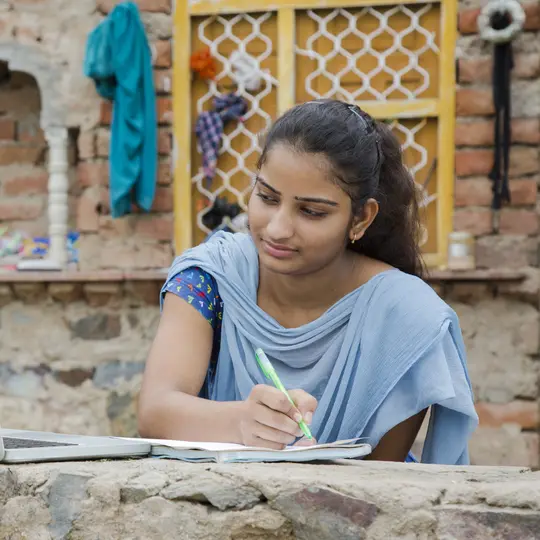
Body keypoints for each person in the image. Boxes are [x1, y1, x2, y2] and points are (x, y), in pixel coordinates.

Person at [138, 99, 478, 464]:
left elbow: (381, 483)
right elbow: (155, 411)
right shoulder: (211, 276)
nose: (278, 229)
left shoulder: (409, 317)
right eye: (266, 197)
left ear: (361, 218)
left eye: (311, 212)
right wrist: (241, 421)